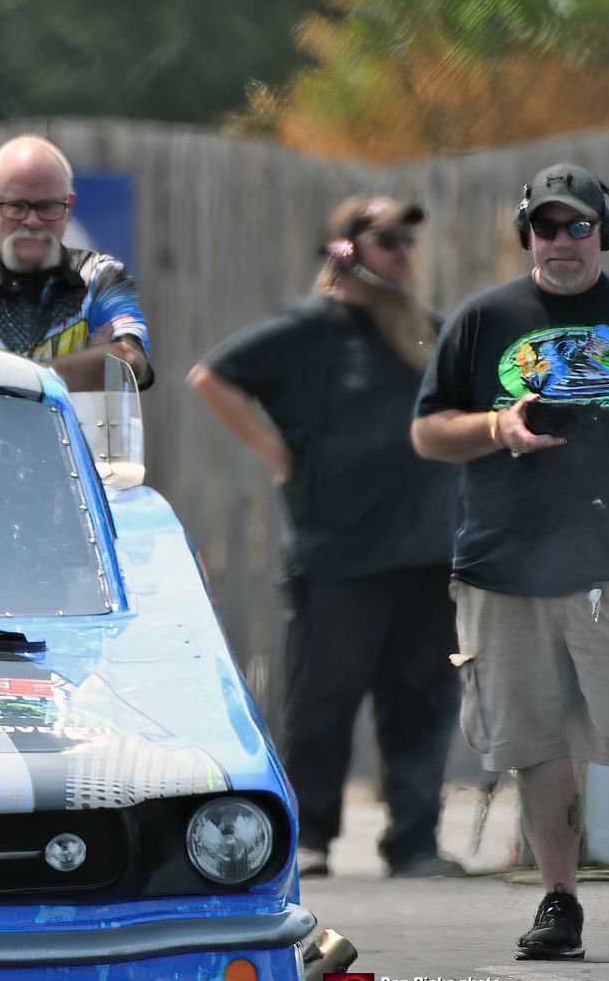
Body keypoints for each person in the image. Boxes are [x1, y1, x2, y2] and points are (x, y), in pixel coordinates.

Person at [412, 163, 609, 960]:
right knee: (533, 743)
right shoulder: (483, 318)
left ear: (603, 231)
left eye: (577, 226)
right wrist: (495, 429)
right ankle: (559, 901)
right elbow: (425, 430)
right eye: (547, 227)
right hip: (499, 566)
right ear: (527, 233)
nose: (561, 242)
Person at [188, 196, 464, 880]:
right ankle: (309, 837)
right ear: (345, 249)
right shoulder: (306, 329)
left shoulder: (423, 330)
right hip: (338, 555)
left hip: (427, 553)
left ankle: (413, 841)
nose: (402, 253)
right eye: (387, 241)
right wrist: (275, 453)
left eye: (407, 243)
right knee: (322, 701)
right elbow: (210, 377)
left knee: (421, 701)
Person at [0, 134, 152, 390]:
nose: (33, 221)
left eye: (48, 207)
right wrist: (89, 364)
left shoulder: (101, 276)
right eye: (16, 206)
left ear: (69, 207)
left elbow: (131, 359)